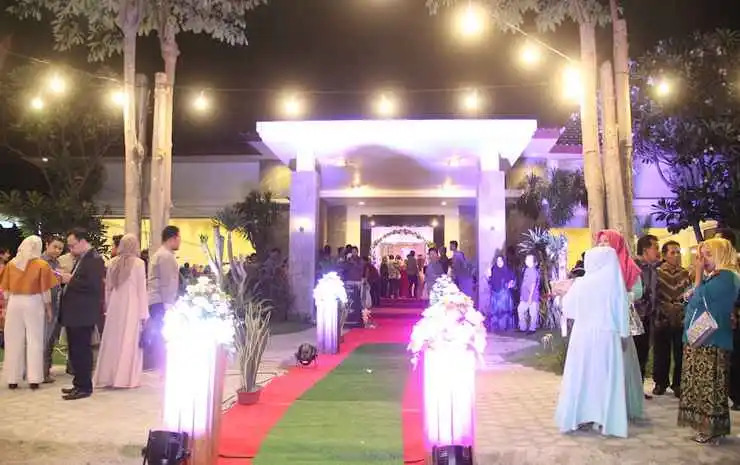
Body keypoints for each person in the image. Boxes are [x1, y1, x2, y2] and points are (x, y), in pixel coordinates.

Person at [555, 246, 629, 438]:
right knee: (604, 378)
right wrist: (624, 334)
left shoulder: (581, 283)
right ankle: (605, 418)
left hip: (583, 336)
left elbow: (568, 310)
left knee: (582, 375)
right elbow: (622, 311)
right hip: (607, 336)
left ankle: (579, 414)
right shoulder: (614, 284)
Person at [678, 237, 740, 444]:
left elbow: (697, 299)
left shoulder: (727, 277)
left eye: (709, 255)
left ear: (722, 255)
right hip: (701, 337)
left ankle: (710, 429)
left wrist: (697, 278)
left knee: (709, 386)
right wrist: (697, 284)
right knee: (699, 385)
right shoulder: (714, 277)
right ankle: (706, 427)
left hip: (712, 340)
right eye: (701, 255)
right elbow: (687, 298)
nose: (703, 260)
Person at [596, 229, 645, 420]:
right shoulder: (597, 264)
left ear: (616, 244)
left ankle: (620, 406)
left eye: (606, 241)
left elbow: (638, 292)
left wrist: (620, 296)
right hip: (600, 320)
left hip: (619, 320)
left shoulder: (628, 265)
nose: (602, 245)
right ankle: (601, 406)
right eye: (600, 242)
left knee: (620, 361)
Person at [0, 236, 57, 390]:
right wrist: (49, 309)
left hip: (14, 302)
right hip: (34, 301)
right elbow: (45, 291)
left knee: (13, 340)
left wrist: (5, 308)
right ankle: (34, 379)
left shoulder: (11, 264)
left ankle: (12, 378)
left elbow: (6, 290)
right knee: (35, 340)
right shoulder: (42, 265)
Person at [94, 234, 148, 388]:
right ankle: (126, 378)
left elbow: (108, 288)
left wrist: (108, 307)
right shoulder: (138, 263)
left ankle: (109, 376)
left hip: (115, 305)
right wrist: (144, 313)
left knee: (113, 340)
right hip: (132, 305)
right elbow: (141, 289)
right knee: (129, 340)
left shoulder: (112, 262)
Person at [59, 228, 106, 400]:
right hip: (75, 312)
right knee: (75, 350)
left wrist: (70, 280)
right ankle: (78, 383)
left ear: (82, 241)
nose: (70, 249)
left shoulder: (94, 259)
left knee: (82, 350)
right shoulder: (83, 258)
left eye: (72, 245)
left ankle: (84, 387)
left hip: (83, 313)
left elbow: (93, 286)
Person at [652, 240, 691, 397]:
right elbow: (655, 295)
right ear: (664, 255)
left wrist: (680, 306)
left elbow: (689, 293)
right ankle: (660, 383)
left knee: (680, 353)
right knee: (661, 353)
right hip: (662, 318)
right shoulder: (657, 273)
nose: (676, 255)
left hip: (681, 319)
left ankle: (678, 384)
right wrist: (666, 307)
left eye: (678, 252)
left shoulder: (685, 273)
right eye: (672, 252)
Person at [146, 225, 181, 371]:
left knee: (158, 334)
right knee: (161, 335)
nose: (179, 241)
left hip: (157, 300)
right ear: (172, 238)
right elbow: (167, 282)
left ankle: (160, 365)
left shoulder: (160, 254)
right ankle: (162, 366)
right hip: (161, 301)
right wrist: (169, 304)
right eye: (178, 238)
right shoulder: (165, 256)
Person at [633, 234, 661, 397]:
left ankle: (638, 389)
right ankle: (632, 390)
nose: (658, 251)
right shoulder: (633, 267)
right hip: (636, 318)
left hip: (648, 317)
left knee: (643, 354)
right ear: (645, 249)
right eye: (655, 247)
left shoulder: (653, 268)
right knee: (634, 355)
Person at [41, 235, 64, 384]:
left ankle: (45, 370)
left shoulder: (56, 262)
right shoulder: (40, 262)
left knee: (50, 340)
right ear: (46, 245)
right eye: (55, 247)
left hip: (56, 303)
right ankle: (41, 372)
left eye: (60, 248)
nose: (57, 250)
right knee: (44, 338)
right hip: (44, 305)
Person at [489, 255, 515, 332]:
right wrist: (488, 276)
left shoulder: (507, 270)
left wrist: (511, 283)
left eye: (501, 260)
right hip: (495, 294)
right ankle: (495, 327)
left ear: (503, 261)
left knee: (504, 311)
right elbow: (490, 281)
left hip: (504, 295)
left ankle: (504, 327)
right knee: (495, 312)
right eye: (498, 261)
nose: (499, 262)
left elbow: (512, 279)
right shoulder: (493, 270)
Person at [517, 254, 540, 333]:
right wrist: (522, 296)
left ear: (532, 261)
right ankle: (522, 327)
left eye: (528, 259)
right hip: (524, 296)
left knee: (533, 313)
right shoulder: (527, 270)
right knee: (520, 310)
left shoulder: (533, 271)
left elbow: (533, 284)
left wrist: (530, 297)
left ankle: (532, 329)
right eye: (526, 259)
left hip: (532, 297)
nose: (526, 260)